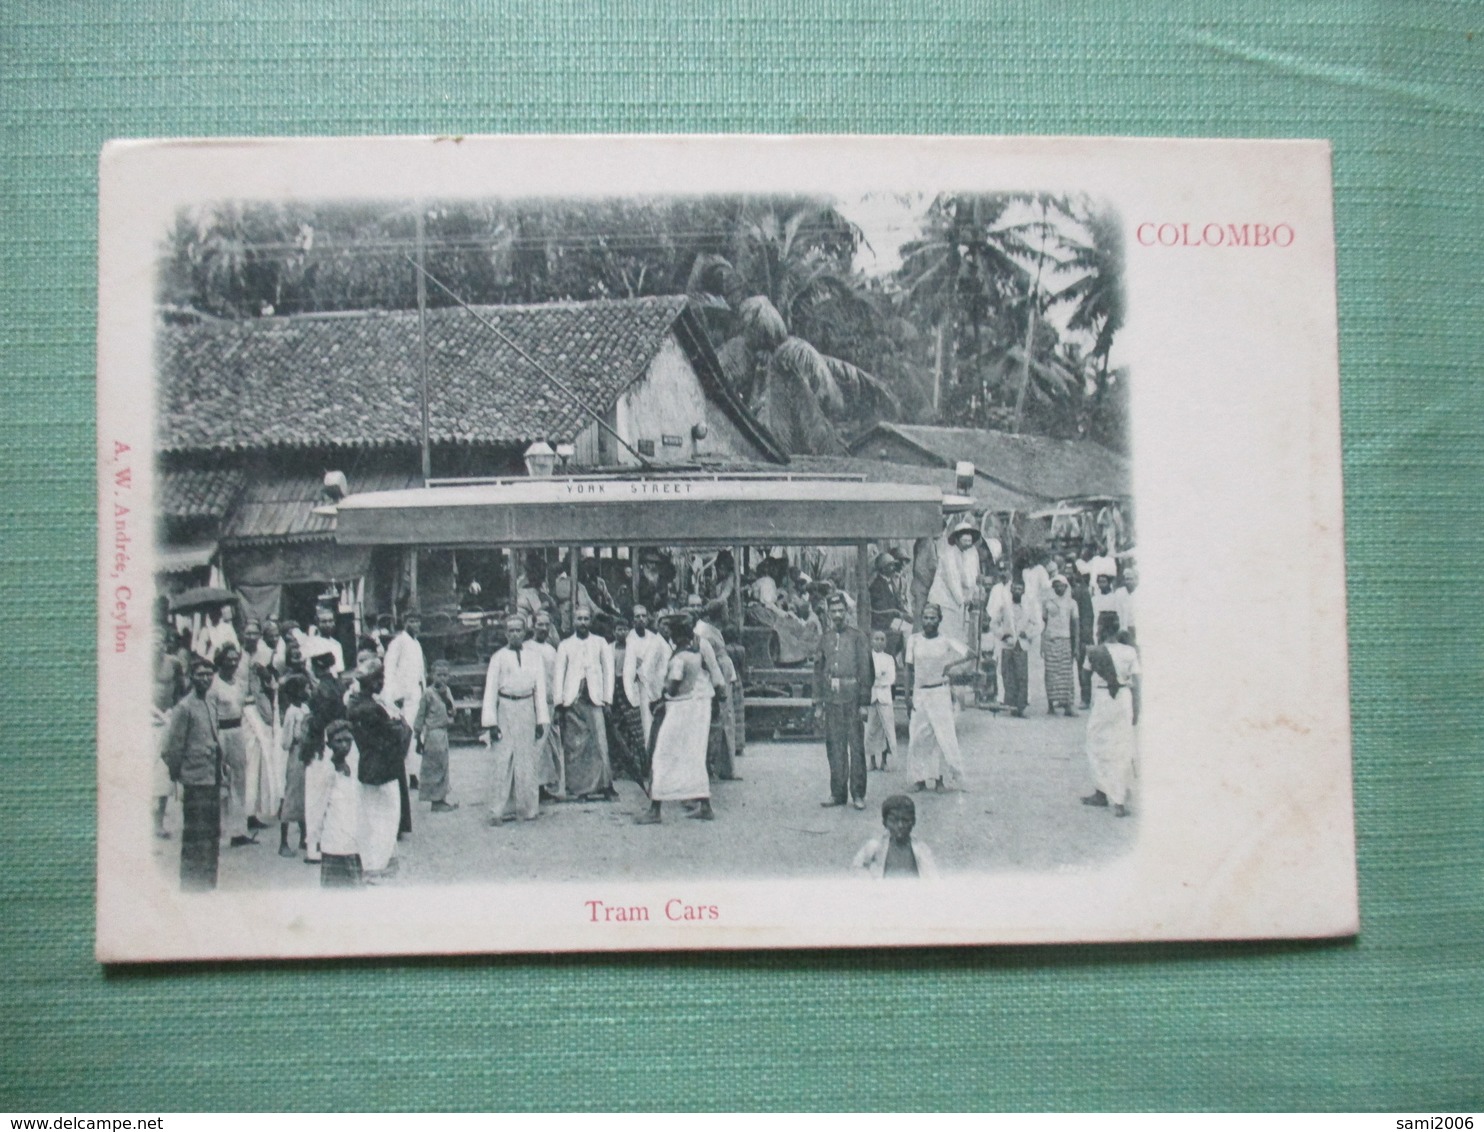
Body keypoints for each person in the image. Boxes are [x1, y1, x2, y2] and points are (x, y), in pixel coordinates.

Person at [635, 617, 715, 824]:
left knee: (662, 755)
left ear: (677, 635)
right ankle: (705, 805)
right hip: (691, 707)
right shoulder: (695, 655)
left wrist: (660, 697)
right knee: (694, 756)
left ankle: (655, 809)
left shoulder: (679, 659)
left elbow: (672, 686)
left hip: (678, 708)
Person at [161, 656, 225, 890]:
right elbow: (170, 749)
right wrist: (181, 774)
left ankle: (208, 881)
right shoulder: (184, 707)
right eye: (200, 674)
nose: (205, 678)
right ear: (191, 677)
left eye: (209, 674)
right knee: (195, 834)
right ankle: (191, 883)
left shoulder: (211, 701)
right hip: (195, 780)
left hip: (212, 777)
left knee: (211, 833)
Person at [481, 614, 550, 824]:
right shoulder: (498, 657)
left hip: (527, 707)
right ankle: (498, 810)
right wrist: (491, 723)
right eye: (510, 631)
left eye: (518, 630)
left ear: (525, 632)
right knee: (503, 758)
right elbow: (490, 691)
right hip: (506, 708)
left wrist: (541, 720)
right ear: (505, 634)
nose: (515, 634)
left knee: (527, 760)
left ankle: (528, 809)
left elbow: (540, 689)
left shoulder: (534, 657)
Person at [347, 658, 411, 877]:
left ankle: (376, 860)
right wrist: (400, 727)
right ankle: (376, 864)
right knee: (386, 813)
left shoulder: (355, 703)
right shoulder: (373, 709)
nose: (382, 683)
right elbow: (394, 734)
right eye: (379, 679)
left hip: (367, 763)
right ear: (371, 683)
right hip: (383, 765)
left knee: (370, 813)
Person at [813, 592, 873, 810]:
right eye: (833, 611)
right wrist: (818, 703)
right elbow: (818, 672)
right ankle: (837, 793)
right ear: (828, 614)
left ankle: (858, 793)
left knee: (856, 747)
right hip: (832, 699)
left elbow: (866, 670)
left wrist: (864, 703)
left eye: (841, 611)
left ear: (847, 613)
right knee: (835, 747)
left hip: (853, 699)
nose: (837, 615)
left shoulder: (858, 637)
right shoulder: (825, 639)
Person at [905, 603, 972, 792]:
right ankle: (919, 778)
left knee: (943, 736)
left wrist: (950, 665)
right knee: (918, 736)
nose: (928, 621)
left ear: (939, 620)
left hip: (940, 693)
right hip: (920, 693)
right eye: (925, 617)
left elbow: (970, 654)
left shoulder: (945, 640)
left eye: (932, 618)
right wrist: (908, 696)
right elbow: (909, 668)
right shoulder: (914, 640)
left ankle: (941, 779)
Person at [552, 606, 616, 801]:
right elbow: (558, 675)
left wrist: (607, 699)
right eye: (579, 619)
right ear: (574, 621)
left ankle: (604, 786)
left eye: (586, 619)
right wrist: (558, 702)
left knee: (599, 744)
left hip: (595, 698)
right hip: (573, 699)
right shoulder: (565, 645)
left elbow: (608, 672)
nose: (582, 623)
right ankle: (580, 789)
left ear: (590, 621)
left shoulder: (600, 643)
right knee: (575, 746)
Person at [1082, 613, 1141, 817]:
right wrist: (1137, 708)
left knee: (1096, 744)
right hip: (1123, 698)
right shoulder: (1130, 651)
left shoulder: (1095, 652)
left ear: (1102, 630)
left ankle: (1101, 792)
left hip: (1103, 697)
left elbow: (1085, 674)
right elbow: (1137, 683)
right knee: (1122, 745)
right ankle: (1119, 801)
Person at [207, 644, 256, 847]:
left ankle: (239, 831)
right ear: (221, 660)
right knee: (219, 782)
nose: (233, 662)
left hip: (237, 731)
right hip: (220, 732)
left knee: (240, 780)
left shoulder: (240, 683)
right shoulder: (213, 684)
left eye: (236, 659)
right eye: (229, 659)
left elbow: (244, 706)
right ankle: (217, 830)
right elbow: (210, 714)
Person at [301, 644, 346, 865]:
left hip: (320, 745)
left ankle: (313, 846)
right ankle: (327, 842)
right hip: (337, 744)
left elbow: (317, 723)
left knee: (315, 798)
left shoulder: (321, 691)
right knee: (333, 795)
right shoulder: (338, 685)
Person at [690, 596, 738, 781]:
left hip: (723, 671)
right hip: (713, 675)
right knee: (719, 721)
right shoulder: (703, 631)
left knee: (727, 719)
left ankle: (726, 767)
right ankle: (715, 766)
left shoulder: (713, 629)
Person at [313, 720, 363, 887]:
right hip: (333, 840)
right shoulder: (326, 771)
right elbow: (318, 807)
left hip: (352, 838)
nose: (344, 745)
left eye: (348, 740)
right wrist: (316, 836)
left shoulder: (353, 766)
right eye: (339, 741)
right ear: (329, 743)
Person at [382, 611, 427, 790]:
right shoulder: (398, 642)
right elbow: (389, 669)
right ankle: (406, 774)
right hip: (403, 697)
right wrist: (393, 695)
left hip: (416, 695)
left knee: (417, 735)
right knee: (405, 735)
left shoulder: (416, 643)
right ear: (404, 622)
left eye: (417, 621)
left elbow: (420, 671)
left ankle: (415, 773)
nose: (415, 624)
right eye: (411, 621)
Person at [622, 604, 671, 756]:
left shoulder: (654, 638)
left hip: (657, 686)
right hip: (640, 688)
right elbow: (630, 667)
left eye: (643, 616)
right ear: (633, 620)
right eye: (637, 616)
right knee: (645, 726)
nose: (641, 619)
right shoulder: (629, 639)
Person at [851, 794, 940, 879]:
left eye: (905, 820)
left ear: (913, 822)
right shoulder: (875, 847)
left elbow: (932, 877)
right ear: (885, 823)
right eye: (894, 820)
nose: (900, 825)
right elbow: (857, 866)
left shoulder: (921, 850)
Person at [415, 658, 459, 812]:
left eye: (445, 675)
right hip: (433, 733)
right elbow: (420, 716)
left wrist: (448, 703)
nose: (442, 678)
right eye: (439, 675)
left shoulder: (447, 692)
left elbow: (453, 710)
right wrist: (417, 736)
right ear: (432, 675)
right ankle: (435, 800)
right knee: (435, 765)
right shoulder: (428, 693)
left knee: (443, 765)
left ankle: (441, 798)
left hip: (443, 732)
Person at [276, 673, 311, 858]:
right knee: (292, 796)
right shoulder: (291, 712)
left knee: (305, 794)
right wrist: (297, 740)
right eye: (305, 688)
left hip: (306, 754)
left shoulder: (305, 708)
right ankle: (283, 842)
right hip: (296, 755)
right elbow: (285, 742)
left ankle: (304, 837)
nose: (308, 691)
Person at [529, 611, 563, 797]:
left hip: (550, 703)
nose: (543, 628)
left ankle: (546, 786)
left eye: (546, 625)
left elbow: (557, 679)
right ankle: (534, 787)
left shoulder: (552, 650)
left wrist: (557, 704)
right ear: (533, 625)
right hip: (532, 704)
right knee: (536, 745)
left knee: (550, 746)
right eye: (539, 624)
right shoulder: (527, 648)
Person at [993, 582, 1041, 718]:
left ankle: (1021, 707)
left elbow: (1038, 624)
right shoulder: (1005, 607)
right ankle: (1011, 705)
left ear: (1023, 591)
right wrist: (1003, 635)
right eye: (1015, 589)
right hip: (1008, 645)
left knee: (1022, 676)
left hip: (1022, 645)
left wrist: (1028, 633)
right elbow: (994, 624)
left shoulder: (1027, 608)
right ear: (1011, 590)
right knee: (1008, 675)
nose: (1017, 591)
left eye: (1020, 589)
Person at [1041, 575, 1080, 717]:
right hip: (1050, 640)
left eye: (1061, 585)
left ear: (1066, 586)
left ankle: (1068, 706)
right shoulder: (1047, 602)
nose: (1058, 587)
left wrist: (1076, 646)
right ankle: (1051, 705)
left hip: (1065, 640)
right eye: (1056, 585)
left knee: (1066, 674)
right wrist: (1042, 644)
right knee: (1050, 673)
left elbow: (1076, 626)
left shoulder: (1072, 603)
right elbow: (1044, 624)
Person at [865, 630, 897, 772]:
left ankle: (884, 761)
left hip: (884, 696)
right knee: (871, 728)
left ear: (886, 642)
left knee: (886, 729)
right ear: (871, 641)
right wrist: (878, 676)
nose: (879, 642)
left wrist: (877, 677)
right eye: (876, 639)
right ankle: (871, 761)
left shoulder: (889, 658)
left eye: (882, 639)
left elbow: (891, 678)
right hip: (871, 696)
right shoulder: (867, 658)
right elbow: (867, 677)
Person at [1069, 567, 1097, 709]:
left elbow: (1087, 616)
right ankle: (1065, 698)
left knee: (1083, 668)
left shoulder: (1082, 592)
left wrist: (1085, 638)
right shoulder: (1061, 589)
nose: (1069, 575)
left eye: (1071, 572)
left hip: (1080, 635)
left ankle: (1085, 698)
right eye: (1065, 571)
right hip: (1065, 635)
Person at [308, 606, 346, 675]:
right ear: (317, 623)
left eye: (330, 621)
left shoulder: (336, 644)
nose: (328, 624)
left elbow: (340, 670)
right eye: (324, 621)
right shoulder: (312, 643)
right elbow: (309, 669)